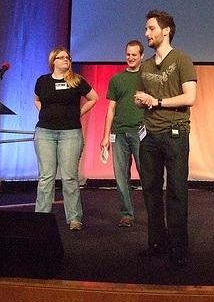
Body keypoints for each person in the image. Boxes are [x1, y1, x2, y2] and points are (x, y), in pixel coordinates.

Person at [134, 10, 197, 266]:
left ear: (166, 30)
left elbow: (190, 97)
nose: (147, 33)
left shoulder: (182, 60)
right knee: (150, 190)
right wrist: (141, 100)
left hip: (175, 133)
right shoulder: (146, 65)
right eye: (147, 29)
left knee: (177, 191)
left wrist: (157, 101)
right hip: (149, 135)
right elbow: (139, 97)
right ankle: (157, 242)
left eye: (151, 28)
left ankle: (179, 246)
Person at [34, 46, 98, 231]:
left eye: (68, 58)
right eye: (61, 58)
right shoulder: (43, 81)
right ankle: (41, 218)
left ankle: (74, 219)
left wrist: (78, 113)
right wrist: (45, 113)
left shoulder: (77, 81)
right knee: (46, 177)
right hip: (45, 132)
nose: (66, 60)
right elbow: (37, 99)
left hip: (70, 133)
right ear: (53, 61)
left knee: (70, 178)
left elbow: (94, 98)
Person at [100, 40, 144, 227]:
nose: (131, 58)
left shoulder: (147, 77)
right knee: (121, 177)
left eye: (134, 54)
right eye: (128, 54)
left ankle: (155, 214)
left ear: (142, 56)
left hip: (141, 133)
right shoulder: (117, 79)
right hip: (118, 134)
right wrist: (105, 135)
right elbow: (111, 109)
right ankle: (126, 214)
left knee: (148, 175)